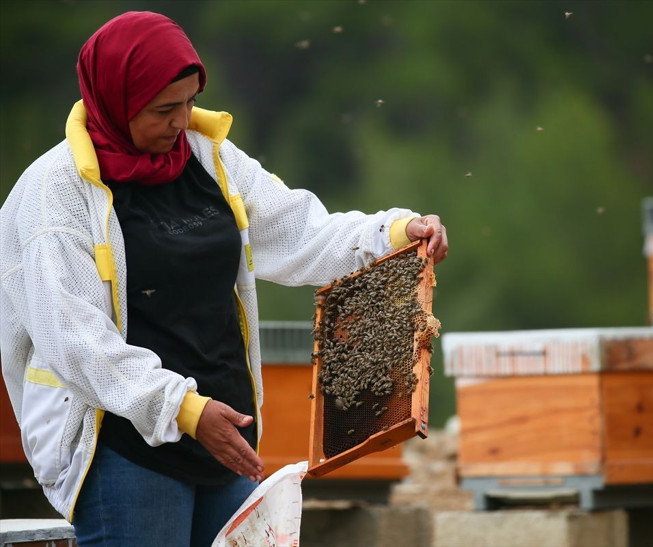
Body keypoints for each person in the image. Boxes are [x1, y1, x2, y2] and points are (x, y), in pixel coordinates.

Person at [0, 11, 447, 546]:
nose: (182, 120)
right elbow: (75, 341)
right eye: (165, 109)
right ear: (115, 102)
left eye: (190, 102)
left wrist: (393, 233)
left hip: (225, 436)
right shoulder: (55, 196)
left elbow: (297, 229)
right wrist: (183, 409)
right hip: (123, 448)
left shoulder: (208, 157)